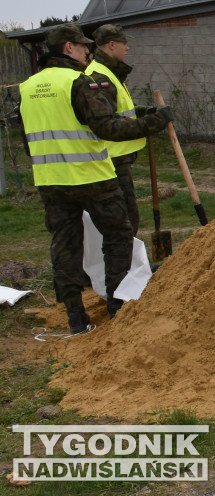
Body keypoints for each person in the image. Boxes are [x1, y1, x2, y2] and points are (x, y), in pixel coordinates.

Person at [19, 24, 173, 333]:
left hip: (51, 181)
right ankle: (118, 306)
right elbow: (109, 129)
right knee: (118, 235)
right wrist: (156, 121)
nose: (87, 50)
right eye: (82, 45)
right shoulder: (78, 82)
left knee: (65, 245)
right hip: (92, 177)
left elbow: (27, 141)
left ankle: (76, 320)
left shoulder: (29, 87)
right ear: (68, 48)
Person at [85, 24, 148, 235]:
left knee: (127, 217)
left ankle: (128, 263)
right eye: (124, 43)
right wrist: (151, 123)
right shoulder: (100, 77)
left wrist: (140, 111)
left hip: (117, 158)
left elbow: (116, 110)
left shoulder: (109, 72)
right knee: (125, 219)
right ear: (111, 45)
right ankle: (127, 266)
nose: (127, 49)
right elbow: (106, 122)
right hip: (110, 159)